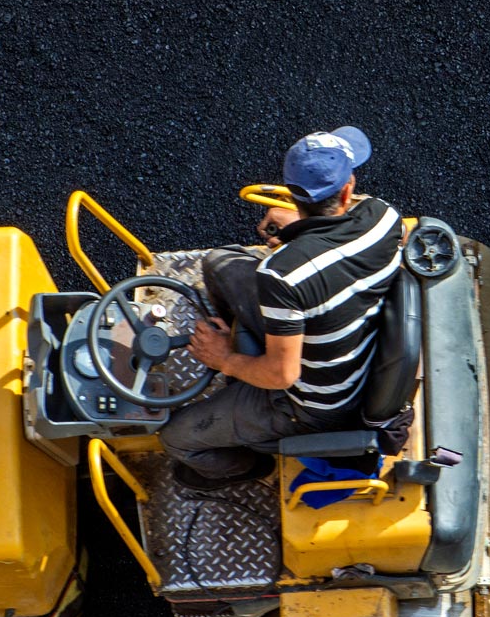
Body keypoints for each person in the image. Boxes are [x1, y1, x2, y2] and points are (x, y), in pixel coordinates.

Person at [161, 126, 402, 488]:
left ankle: (249, 466)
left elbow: (282, 375)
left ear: (293, 194)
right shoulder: (384, 217)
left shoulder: (283, 274)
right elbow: (332, 244)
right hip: (344, 334)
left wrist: (223, 358)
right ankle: (241, 346)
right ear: (348, 190)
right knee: (218, 263)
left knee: (175, 438)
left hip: (313, 407)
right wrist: (302, 230)